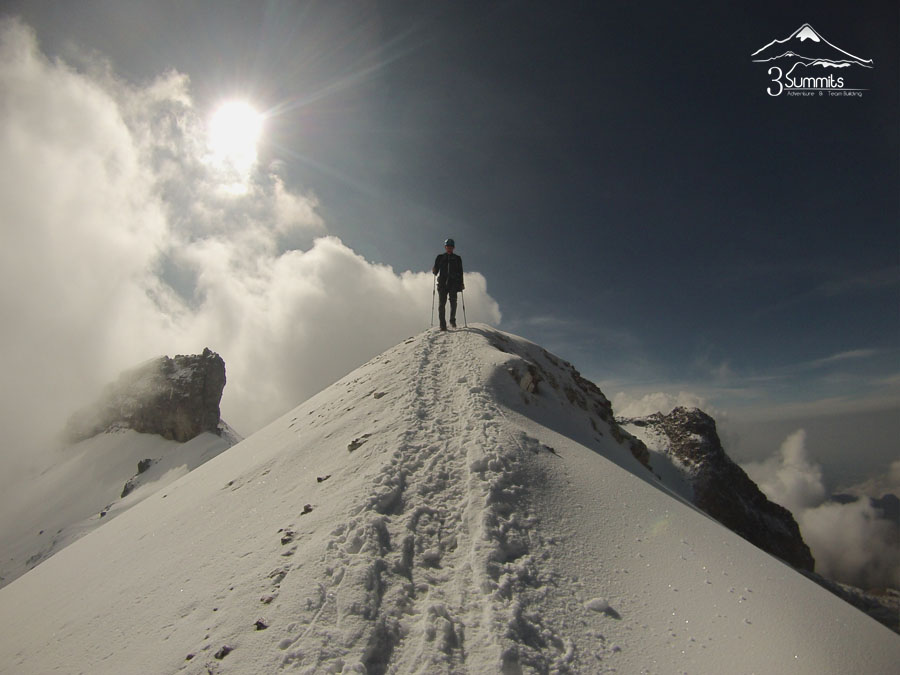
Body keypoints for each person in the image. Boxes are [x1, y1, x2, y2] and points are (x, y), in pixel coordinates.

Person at [432, 238, 464, 330]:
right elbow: (436, 270)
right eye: (448, 246)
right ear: (445, 247)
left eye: (451, 247)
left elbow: (460, 271)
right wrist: (434, 270)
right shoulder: (440, 257)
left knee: (453, 302)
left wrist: (461, 283)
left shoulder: (457, 259)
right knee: (442, 304)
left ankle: (452, 321)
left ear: (453, 248)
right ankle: (443, 325)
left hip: (453, 283)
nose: (449, 248)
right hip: (442, 283)